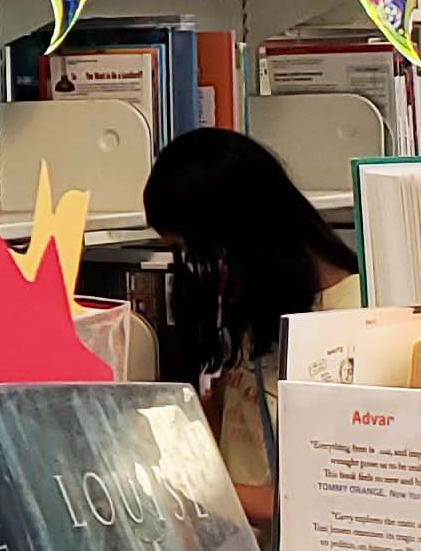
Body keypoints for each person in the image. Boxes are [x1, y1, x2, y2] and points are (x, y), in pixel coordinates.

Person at [141, 127, 361, 527]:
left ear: (242, 238)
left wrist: (198, 489)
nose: (195, 273)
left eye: (195, 253)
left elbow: (333, 508)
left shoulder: (359, 325)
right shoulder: (266, 305)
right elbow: (237, 412)